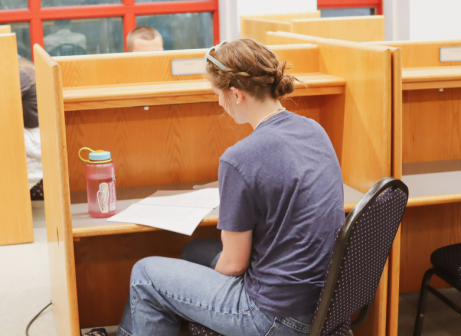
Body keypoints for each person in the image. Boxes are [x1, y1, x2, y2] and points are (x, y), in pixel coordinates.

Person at [115, 39, 345, 336]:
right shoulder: (313, 130)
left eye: (217, 94)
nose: (218, 103)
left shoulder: (239, 158)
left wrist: (209, 282)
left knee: (145, 274)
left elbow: (235, 265)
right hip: (324, 303)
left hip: (275, 318)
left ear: (236, 94)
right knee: (195, 250)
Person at [18, 57, 44, 200]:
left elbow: (0, 100)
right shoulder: (26, 69)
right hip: (38, 130)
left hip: (35, 134)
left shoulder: (22, 74)